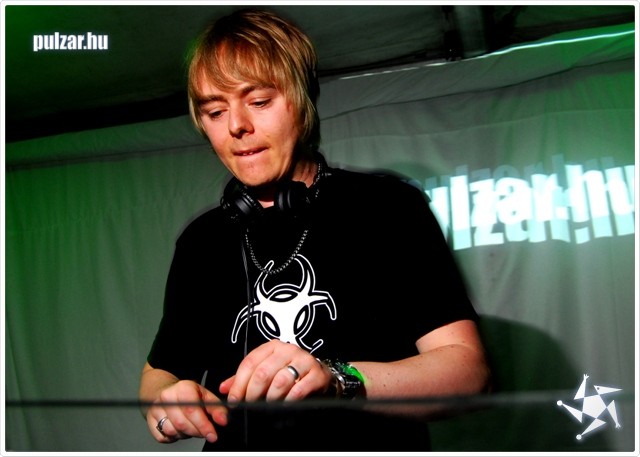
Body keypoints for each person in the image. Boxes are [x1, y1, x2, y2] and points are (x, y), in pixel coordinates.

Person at [139, 8, 491, 452]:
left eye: (259, 101)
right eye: (214, 110)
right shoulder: (201, 241)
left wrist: (339, 379)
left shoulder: (387, 207)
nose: (236, 126)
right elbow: (160, 373)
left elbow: (468, 372)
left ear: (303, 98)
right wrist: (167, 402)